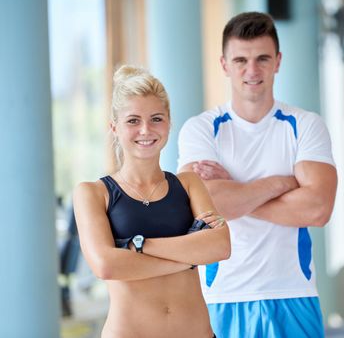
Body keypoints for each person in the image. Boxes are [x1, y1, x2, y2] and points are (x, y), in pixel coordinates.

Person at [178, 12, 338, 337]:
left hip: (293, 294)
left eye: (262, 58)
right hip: (222, 297)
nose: (252, 71)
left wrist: (233, 194)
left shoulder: (305, 125)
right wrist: (281, 184)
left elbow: (318, 209)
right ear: (224, 64)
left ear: (278, 61)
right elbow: (200, 208)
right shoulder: (201, 130)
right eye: (240, 60)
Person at [73, 65, 230, 338]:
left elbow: (219, 245)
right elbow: (107, 265)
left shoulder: (189, 183)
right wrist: (187, 259)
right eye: (133, 120)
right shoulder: (93, 193)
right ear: (114, 127)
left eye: (156, 119)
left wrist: (138, 246)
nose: (145, 130)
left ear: (169, 122)